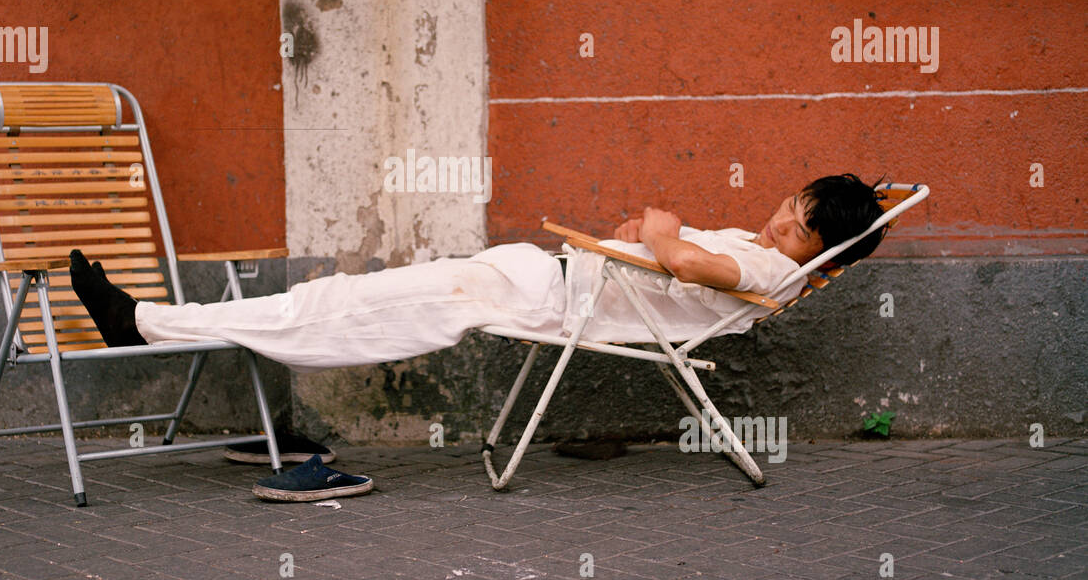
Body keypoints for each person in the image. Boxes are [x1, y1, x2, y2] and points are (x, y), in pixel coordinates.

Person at [68, 172, 888, 370]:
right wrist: (638, 239)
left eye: (802, 221)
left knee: (345, 309)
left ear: (825, 245)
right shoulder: (765, 256)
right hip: (542, 279)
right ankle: (147, 320)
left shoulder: (766, 271)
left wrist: (661, 231)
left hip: (546, 294)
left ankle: (141, 323)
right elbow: (671, 264)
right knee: (344, 299)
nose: (784, 217)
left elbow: (683, 260)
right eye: (793, 201)